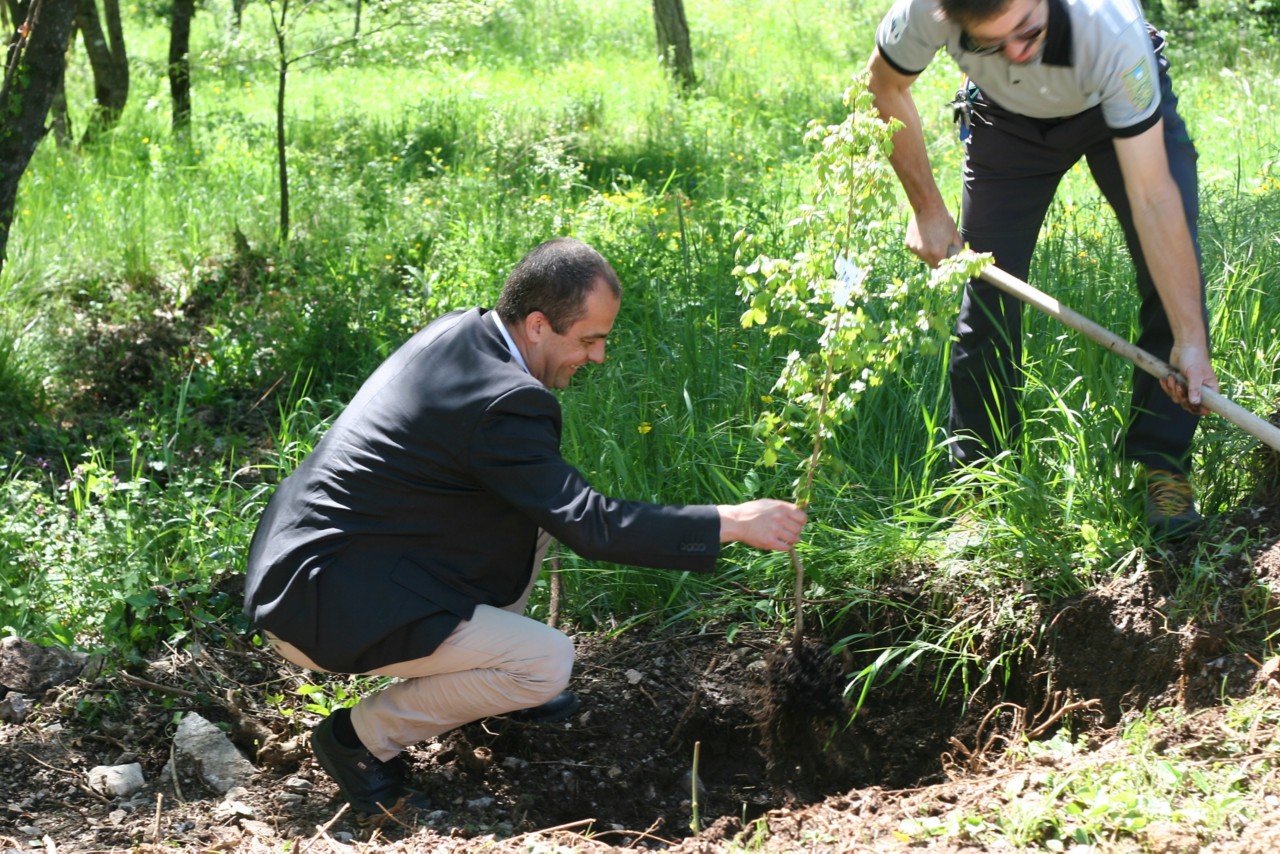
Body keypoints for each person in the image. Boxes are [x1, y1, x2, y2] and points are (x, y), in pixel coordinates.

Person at [243, 237, 808, 814]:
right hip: (320, 602)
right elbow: (592, 527)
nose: (598, 357)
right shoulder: (504, 402)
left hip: (326, 558)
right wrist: (730, 521)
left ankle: (482, 682)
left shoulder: (465, 334)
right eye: (589, 339)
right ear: (537, 324)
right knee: (545, 663)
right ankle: (359, 741)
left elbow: (559, 510)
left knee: (536, 514)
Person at [866, 0, 1219, 537]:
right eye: (989, 43)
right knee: (984, 300)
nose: (1017, 54)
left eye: (1028, 32)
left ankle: (1164, 468)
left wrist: (1191, 338)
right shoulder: (926, 9)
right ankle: (981, 484)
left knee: (1173, 284)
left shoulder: (1109, 29)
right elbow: (884, 86)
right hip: (1005, 123)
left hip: (1109, 104)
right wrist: (927, 210)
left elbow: (1153, 199)